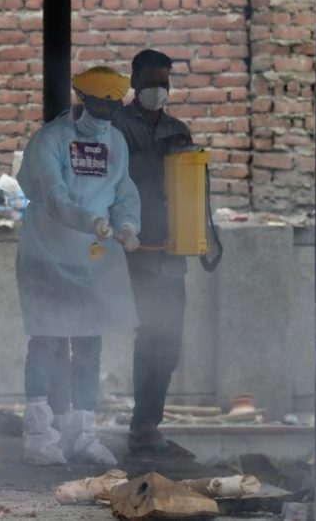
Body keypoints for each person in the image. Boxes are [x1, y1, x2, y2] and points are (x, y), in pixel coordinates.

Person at [16, 66, 141, 466]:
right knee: (48, 343)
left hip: (94, 261)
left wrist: (127, 224)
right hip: (47, 255)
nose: (106, 116)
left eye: (113, 108)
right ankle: (39, 437)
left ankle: (83, 435)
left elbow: (124, 191)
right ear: (83, 100)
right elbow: (53, 197)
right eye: (101, 106)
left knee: (89, 346)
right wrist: (88, 220)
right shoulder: (49, 141)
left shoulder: (116, 143)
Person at [112, 50, 194, 456]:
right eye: (150, 82)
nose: (157, 90)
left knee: (169, 340)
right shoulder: (116, 129)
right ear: (134, 81)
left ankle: (148, 423)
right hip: (132, 249)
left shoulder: (179, 131)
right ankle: (143, 429)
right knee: (150, 336)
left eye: (164, 82)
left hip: (172, 250)